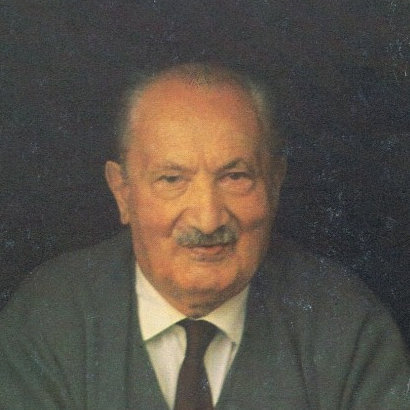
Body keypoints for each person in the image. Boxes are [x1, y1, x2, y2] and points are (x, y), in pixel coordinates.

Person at [0, 62, 409, 409]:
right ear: (123, 192)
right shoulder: (49, 318)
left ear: (275, 184)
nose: (208, 220)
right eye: (172, 179)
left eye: (236, 177)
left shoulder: (348, 327)